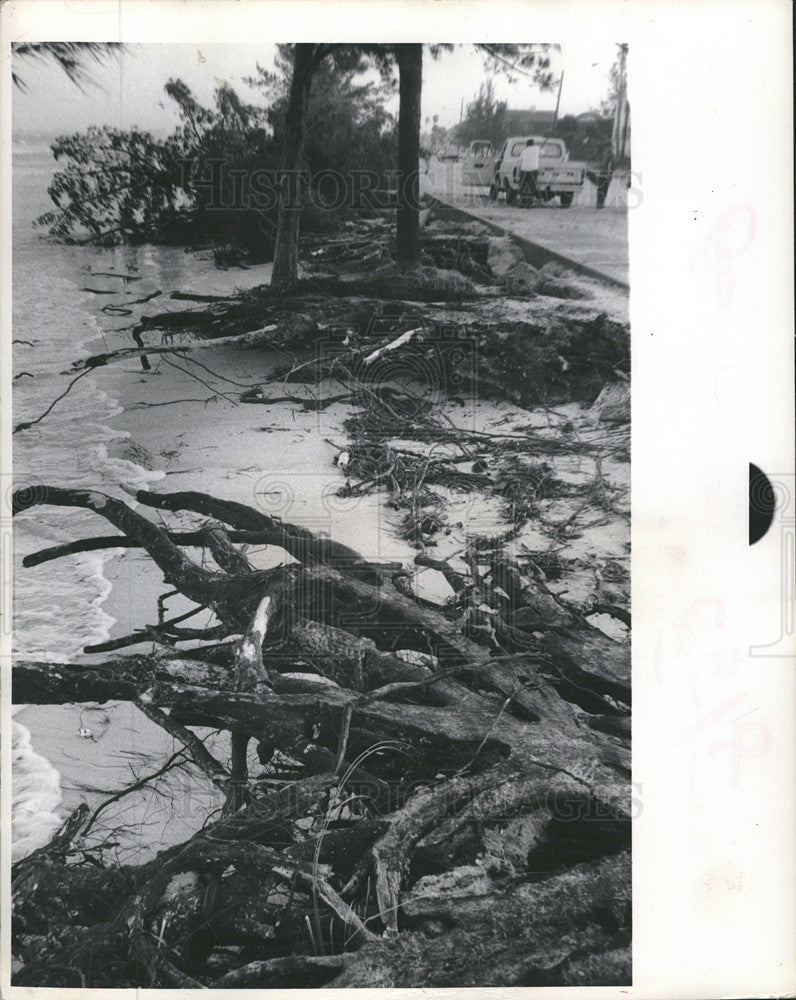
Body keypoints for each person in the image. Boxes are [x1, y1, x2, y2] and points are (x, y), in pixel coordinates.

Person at [593, 139, 615, 209]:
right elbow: (610, 165)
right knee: (604, 189)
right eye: (610, 147)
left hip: (602, 174)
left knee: (601, 189)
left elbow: (602, 164)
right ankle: (600, 204)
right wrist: (609, 174)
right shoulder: (610, 155)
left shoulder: (604, 154)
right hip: (605, 175)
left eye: (610, 147)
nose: (610, 148)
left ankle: (599, 203)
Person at [518, 138, 540, 206]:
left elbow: (520, 159)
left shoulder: (524, 150)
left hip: (524, 170)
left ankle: (522, 202)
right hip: (533, 170)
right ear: (533, 144)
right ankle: (529, 202)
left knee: (523, 185)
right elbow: (543, 153)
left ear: (527, 144)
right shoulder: (537, 148)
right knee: (531, 186)